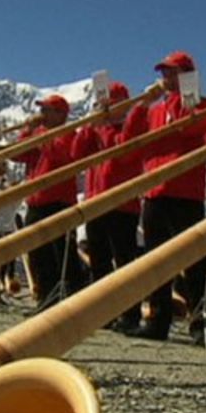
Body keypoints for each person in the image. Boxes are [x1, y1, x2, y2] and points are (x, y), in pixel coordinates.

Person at [124, 51, 206, 341]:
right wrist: (142, 105)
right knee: (156, 262)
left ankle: (200, 321)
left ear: (188, 75)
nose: (165, 78)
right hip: (155, 191)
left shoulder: (205, 105)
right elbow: (130, 139)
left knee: (193, 263)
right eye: (164, 73)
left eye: (172, 72)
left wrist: (184, 97)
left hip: (185, 193)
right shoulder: (154, 110)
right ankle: (158, 319)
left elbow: (189, 125)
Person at [71, 81, 144, 333]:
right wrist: (88, 128)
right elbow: (77, 155)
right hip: (96, 201)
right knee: (99, 261)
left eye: (110, 103)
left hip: (123, 204)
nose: (106, 107)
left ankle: (130, 314)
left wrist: (102, 129)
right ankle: (102, 312)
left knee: (124, 262)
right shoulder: (97, 130)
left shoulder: (130, 125)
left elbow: (123, 151)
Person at [11, 93, 83, 311]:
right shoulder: (40, 135)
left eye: (46, 110)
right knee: (37, 255)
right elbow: (17, 154)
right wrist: (27, 132)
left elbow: (60, 155)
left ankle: (70, 301)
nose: (40, 115)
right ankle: (45, 299)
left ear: (60, 114)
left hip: (58, 202)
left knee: (61, 256)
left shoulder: (69, 133)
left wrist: (39, 134)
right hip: (36, 202)